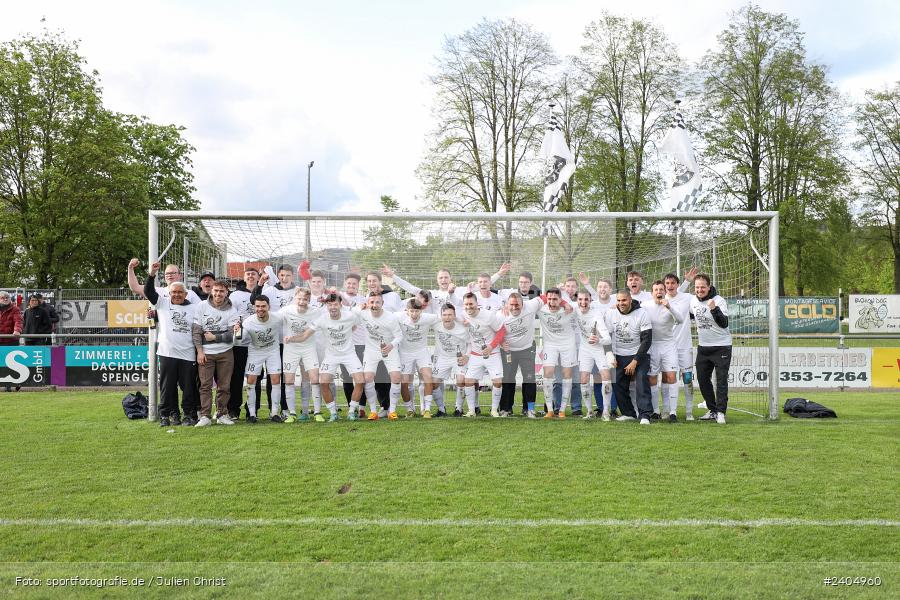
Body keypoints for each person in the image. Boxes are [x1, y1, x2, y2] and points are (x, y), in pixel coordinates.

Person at [144, 262, 200, 427]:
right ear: (169, 293)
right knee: (167, 387)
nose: (176, 295)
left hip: (188, 353)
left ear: (185, 294)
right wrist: (152, 274)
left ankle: (189, 415)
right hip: (167, 352)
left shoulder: (195, 308)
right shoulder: (162, 303)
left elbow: (198, 331)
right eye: (174, 292)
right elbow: (148, 291)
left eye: (180, 292)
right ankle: (168, 415)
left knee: (188, 387)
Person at [301, 293, 366, 420]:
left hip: (349, 354)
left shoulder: (350, 315)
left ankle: (352, 411)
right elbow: (305, 335)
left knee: (360, 381)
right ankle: (333, 414)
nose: (333, 307)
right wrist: (292, 338)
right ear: (327, 306)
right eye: (330, 304)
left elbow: (356, 322)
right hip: (331, 355)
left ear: (340, 304)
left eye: (335, 304)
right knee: (323, 382)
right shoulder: (322, 318)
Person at [192, 280, 239, 426]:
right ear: (212, 291)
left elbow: (234, 334)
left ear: (226, 293)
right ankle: (205, 416)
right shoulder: (201, 306)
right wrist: (200, 351)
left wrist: (215, 337)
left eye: (222, 291)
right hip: (206, 353)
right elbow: (196, 331)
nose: (218, 294)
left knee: (224, 386)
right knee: (205, 386)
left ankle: (221, 414)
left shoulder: (232, 309)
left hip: (226, 353)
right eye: (216, 290)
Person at [353, 292, 405, 420]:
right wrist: (359, 307)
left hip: (389, 350)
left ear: (382, 303)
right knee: (368, 377)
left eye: (377, 302)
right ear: (368, 303)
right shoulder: (363, 313)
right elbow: (349, 313)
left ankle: (392, 411)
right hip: (371, 350)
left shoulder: (390, 318)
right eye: (371, 302)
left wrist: (391, 345)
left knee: (396, 377)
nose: (374, 305)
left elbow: (399, 336)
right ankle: (373, 411)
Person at [605, 288, 653, 425]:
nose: (621, 303)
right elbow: (606, 337)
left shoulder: (642, 313)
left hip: (639, 354)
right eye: (619, 300)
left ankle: (645, 415)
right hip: (619, 354)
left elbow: (647, 340)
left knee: (642, 381)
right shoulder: (611, 313)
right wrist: (610, 355)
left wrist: (635, 361)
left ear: (630, 299)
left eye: (624, 300)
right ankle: (629, 413)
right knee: (617, 383)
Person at [690, 273, 732, 425]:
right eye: (697, 287)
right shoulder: (692, 301)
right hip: (703, 348)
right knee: (702, 380)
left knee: (721, 381)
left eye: (702, 287)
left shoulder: (719, 300)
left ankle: (721, 412)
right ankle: (712, 409)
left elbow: (724, 323)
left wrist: (714, 309)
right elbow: (686, 315)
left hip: (722, 347)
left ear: (709, 287)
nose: (700, 290)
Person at [461, 292, 506, 418]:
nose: (468, 306)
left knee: (497, 382)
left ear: (477, 304)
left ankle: (494, 410)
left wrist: (491, 346)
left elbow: (502, 330)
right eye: (466, 304)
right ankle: (471, 411)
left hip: (492, 353)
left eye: (471, 304)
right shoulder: (463, 314)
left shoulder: (488, 315)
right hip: (475, 354)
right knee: (468, 381)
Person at [240, 294, 285, 423]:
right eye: (258, 306)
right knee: (251, 380)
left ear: (268, 306)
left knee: (276, 379)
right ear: (254, 307)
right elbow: (240, 340)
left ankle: (275, 413)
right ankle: (252, 414)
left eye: (263, 306)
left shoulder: (277, 318)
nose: (260, 309)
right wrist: (238, 331)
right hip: (255, 352)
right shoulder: (248, 322)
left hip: (273, 351)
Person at [644, 280, 684, 422]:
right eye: (656, 290)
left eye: (661, 289)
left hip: (668, 345)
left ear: (665, 291)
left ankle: (672, 412)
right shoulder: (645, 306)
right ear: (652, 293)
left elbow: (680, 320)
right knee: (652, 378)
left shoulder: (672, 304)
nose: (659, 292)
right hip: (652, 346)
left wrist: (670, 307)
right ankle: (655, 411)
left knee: (671, 376)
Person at [281, 288, 323, 422]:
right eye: (299, 298)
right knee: (289, 380)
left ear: (309, 300)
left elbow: (305, 336)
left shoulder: (315, 312)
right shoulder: (286, 310)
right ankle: (292, 414)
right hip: (291, 350)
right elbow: (272, 318)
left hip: (308, 348)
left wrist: (291, 338)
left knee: (313, 378)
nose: (302, 301)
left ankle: (315, 412)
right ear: (295, 298)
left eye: (305, 299)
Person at [498, 292, 543, 417]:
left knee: (529, 379)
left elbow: (545, 297)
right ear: (507, 304)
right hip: (509, 351)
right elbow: (493, 331)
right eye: (511, 305)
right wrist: (501, 342)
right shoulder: (501, 315)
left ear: (523, 304)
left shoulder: (531, 305)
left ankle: (529, 409)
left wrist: (565, 303)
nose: (514, 307)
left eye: (517, 305)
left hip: (527, 349)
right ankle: (506, 409)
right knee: (508, 379)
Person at [537, 288, 577, 419]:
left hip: (568, 345)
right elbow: (530, 302)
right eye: (549, 299)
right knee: (547, 373)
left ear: (560, 300)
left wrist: (566, 303)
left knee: (567, 375)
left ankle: (562, 410)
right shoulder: (541, 309)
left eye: (555, 299)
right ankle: (550, 410)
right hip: (550, 345)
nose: (551, 302)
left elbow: (587, 305)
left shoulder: (570, 309)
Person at [574, 289, 614, 420]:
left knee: (606, 376)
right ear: (577, 300)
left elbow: (607, 338)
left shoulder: (596, 314)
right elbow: (561, 304)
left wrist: (599, 339)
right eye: (580, 299)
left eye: (586, 299)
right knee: (584, 378)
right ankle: (589, 412)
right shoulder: (574, 309)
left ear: (590, 300)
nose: (583, 302)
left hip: (599, 348)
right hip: (585, 349)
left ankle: (606, 411)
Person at [396, 298, 440, 417]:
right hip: (405, 353)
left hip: (422, 353)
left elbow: (445, 316)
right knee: (404, 383)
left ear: (421, 311)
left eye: (417, 311)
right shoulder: (399, 316)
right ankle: (410, 409)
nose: (414, 314)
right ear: (407, 311)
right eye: (411, 311)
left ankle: (427, 409)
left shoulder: (428, 318)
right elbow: (383, 316)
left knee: (428, 378)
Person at [665, 271, 697, 420]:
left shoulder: (688, 298)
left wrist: (688, 282)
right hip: (667, 347)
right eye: (667, 283)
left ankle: (689, 412)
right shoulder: (660, 299)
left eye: (673, 283)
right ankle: (670, 410)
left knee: (688, 378)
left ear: (677, 285)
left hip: (685, 346)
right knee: (669, 378)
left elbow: (700, 302)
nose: (670, 286)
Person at [228, 267, 259, 419]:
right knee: (236, 377)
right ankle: (234, 409)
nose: (251, 276)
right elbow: (231, 315)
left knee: (256, 377)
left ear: (259, 277)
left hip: (258, 344)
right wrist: (237, 334)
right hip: (240, 343)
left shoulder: (264, 291)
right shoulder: (236, 295)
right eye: (248, 274)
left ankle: (253, 410)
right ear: (244, 277)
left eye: (254, 274)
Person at [431, 303, 471, 417]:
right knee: (433, 383)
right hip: (443, 357)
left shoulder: (463, 328)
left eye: (450, 315)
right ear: (441, 316)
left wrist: (467, 356)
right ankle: (441, 409)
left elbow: (471, 343)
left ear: (454, 316)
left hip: (459, 358)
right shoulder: (436, 324)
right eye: (444, 315)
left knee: (461, 380)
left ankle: (459, 408)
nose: (447, 317)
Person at [382, 264, 461, 313]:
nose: (443, 280)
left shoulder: (459, 291)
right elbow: (410, 288)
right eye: (441, 278)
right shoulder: (430, 294)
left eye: (446, 277)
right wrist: (393, 276)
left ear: (451, 278)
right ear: (437, 280)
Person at [128, 259, 201, 304]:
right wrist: (130, 268)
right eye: (167, 273)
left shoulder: (190, 294)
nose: (169, 275)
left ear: (180, 275)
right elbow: (135, 287)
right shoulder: (158, 291)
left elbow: (201, 312)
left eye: (173, 273)